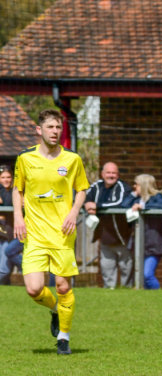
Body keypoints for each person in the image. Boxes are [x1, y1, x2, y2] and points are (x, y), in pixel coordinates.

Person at [13, 109, 89, 355]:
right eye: (50, 127)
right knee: (33, 289)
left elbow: (82, 189)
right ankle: (56, 309)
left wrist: (74, 212)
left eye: (58, 127)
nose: (55, 131)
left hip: (62, 233)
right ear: (39, 130)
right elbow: (17, 189)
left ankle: (63, 338)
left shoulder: (72, 159)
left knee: (63, 287)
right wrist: (18, 217)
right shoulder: (25, 158)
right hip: (34, 234)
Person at [84, 162, 135, 289]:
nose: (111, 175)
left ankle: (127, 291)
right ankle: (109, 291)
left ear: (118, 175)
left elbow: (119, 203)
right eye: (108, 173)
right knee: (107, 266)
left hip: (123, 236)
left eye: (114, 173)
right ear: (102, 174)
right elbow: (85, 197)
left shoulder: (123, 187)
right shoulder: (96, 186)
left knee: (126, 266)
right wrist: (87, 204)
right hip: (105, 236)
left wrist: (97, 206)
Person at [129, 174, 162, 289]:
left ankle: (159, 295)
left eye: (137, 184)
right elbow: (123, 204)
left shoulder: (157, 197)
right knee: (140, 277)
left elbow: (160, 206)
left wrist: (143, 207)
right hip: (139, 243)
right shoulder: (136, 198)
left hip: (153, 244)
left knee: (147, 275)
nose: (134, 187)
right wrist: (133, 195)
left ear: (143, 185)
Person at [0, 166, 16, 284]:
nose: (6, 180)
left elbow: (8, 202)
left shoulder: (15, 192)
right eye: (3, 177)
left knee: (4, 266)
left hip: (9, 230)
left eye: (8, 177)